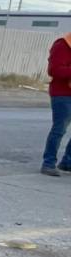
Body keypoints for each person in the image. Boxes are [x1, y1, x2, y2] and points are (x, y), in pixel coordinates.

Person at [42, 32, 71, 176]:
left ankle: (67, 163)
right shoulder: (62, 44)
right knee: (59, 129)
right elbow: (54, 70)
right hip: (63, 94)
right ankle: (48, 163)